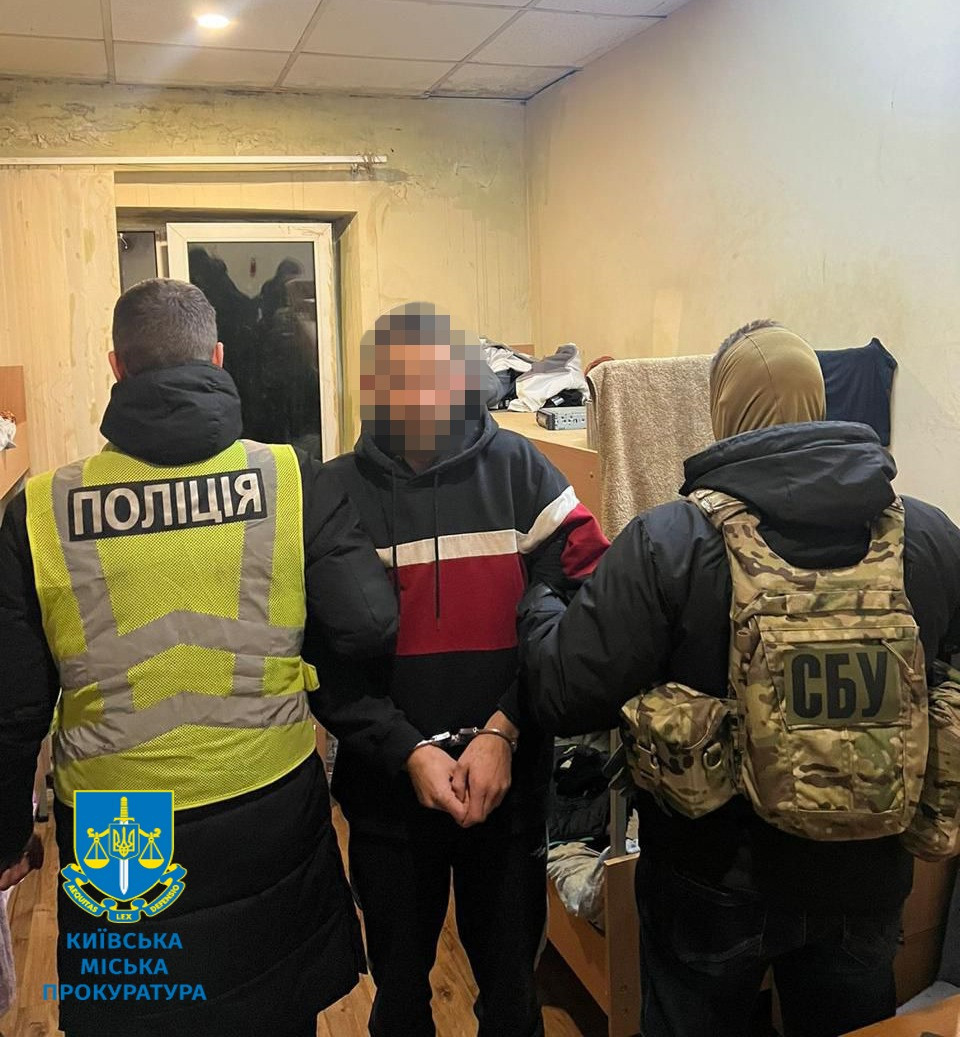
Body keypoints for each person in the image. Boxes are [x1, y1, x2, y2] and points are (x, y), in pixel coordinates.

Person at [519, 320, 960, 1037]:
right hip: (868, 880)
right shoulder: (930, 536)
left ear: (723, 410)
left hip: (711, 879)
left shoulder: (671, 541)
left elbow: (562, 692)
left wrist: (540, 597)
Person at [0, 278, 397, 1037]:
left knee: (139, 1015)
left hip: (120, 821)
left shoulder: (42, 509)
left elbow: (13, 708)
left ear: (117, 367)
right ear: (217, 357)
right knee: (272, 1007)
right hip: (267, 797)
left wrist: (4, 835)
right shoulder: (290, 478)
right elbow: (367, 625)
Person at [315, 302, 609, 1037]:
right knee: (399, 996)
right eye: (397, 382)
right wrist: (406, 749)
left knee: (511, 996)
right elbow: (318, 662)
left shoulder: (522, 471)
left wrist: (506, 728)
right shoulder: (333, 494)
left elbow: (586, 608)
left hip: (507, 790)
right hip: (387, 796)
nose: (417, 400)